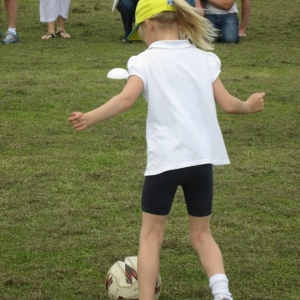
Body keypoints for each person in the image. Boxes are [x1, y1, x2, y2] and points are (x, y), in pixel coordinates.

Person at [68, 0, 265, 299]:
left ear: (148, 25)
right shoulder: (203, 59)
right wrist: (249, 106)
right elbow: (228, 104)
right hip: (201, 161)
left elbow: (125, 100)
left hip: (165, 164)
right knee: (201, 235)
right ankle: (222, 293)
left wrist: (89, 118)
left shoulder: (144, 61)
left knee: (150, 237)